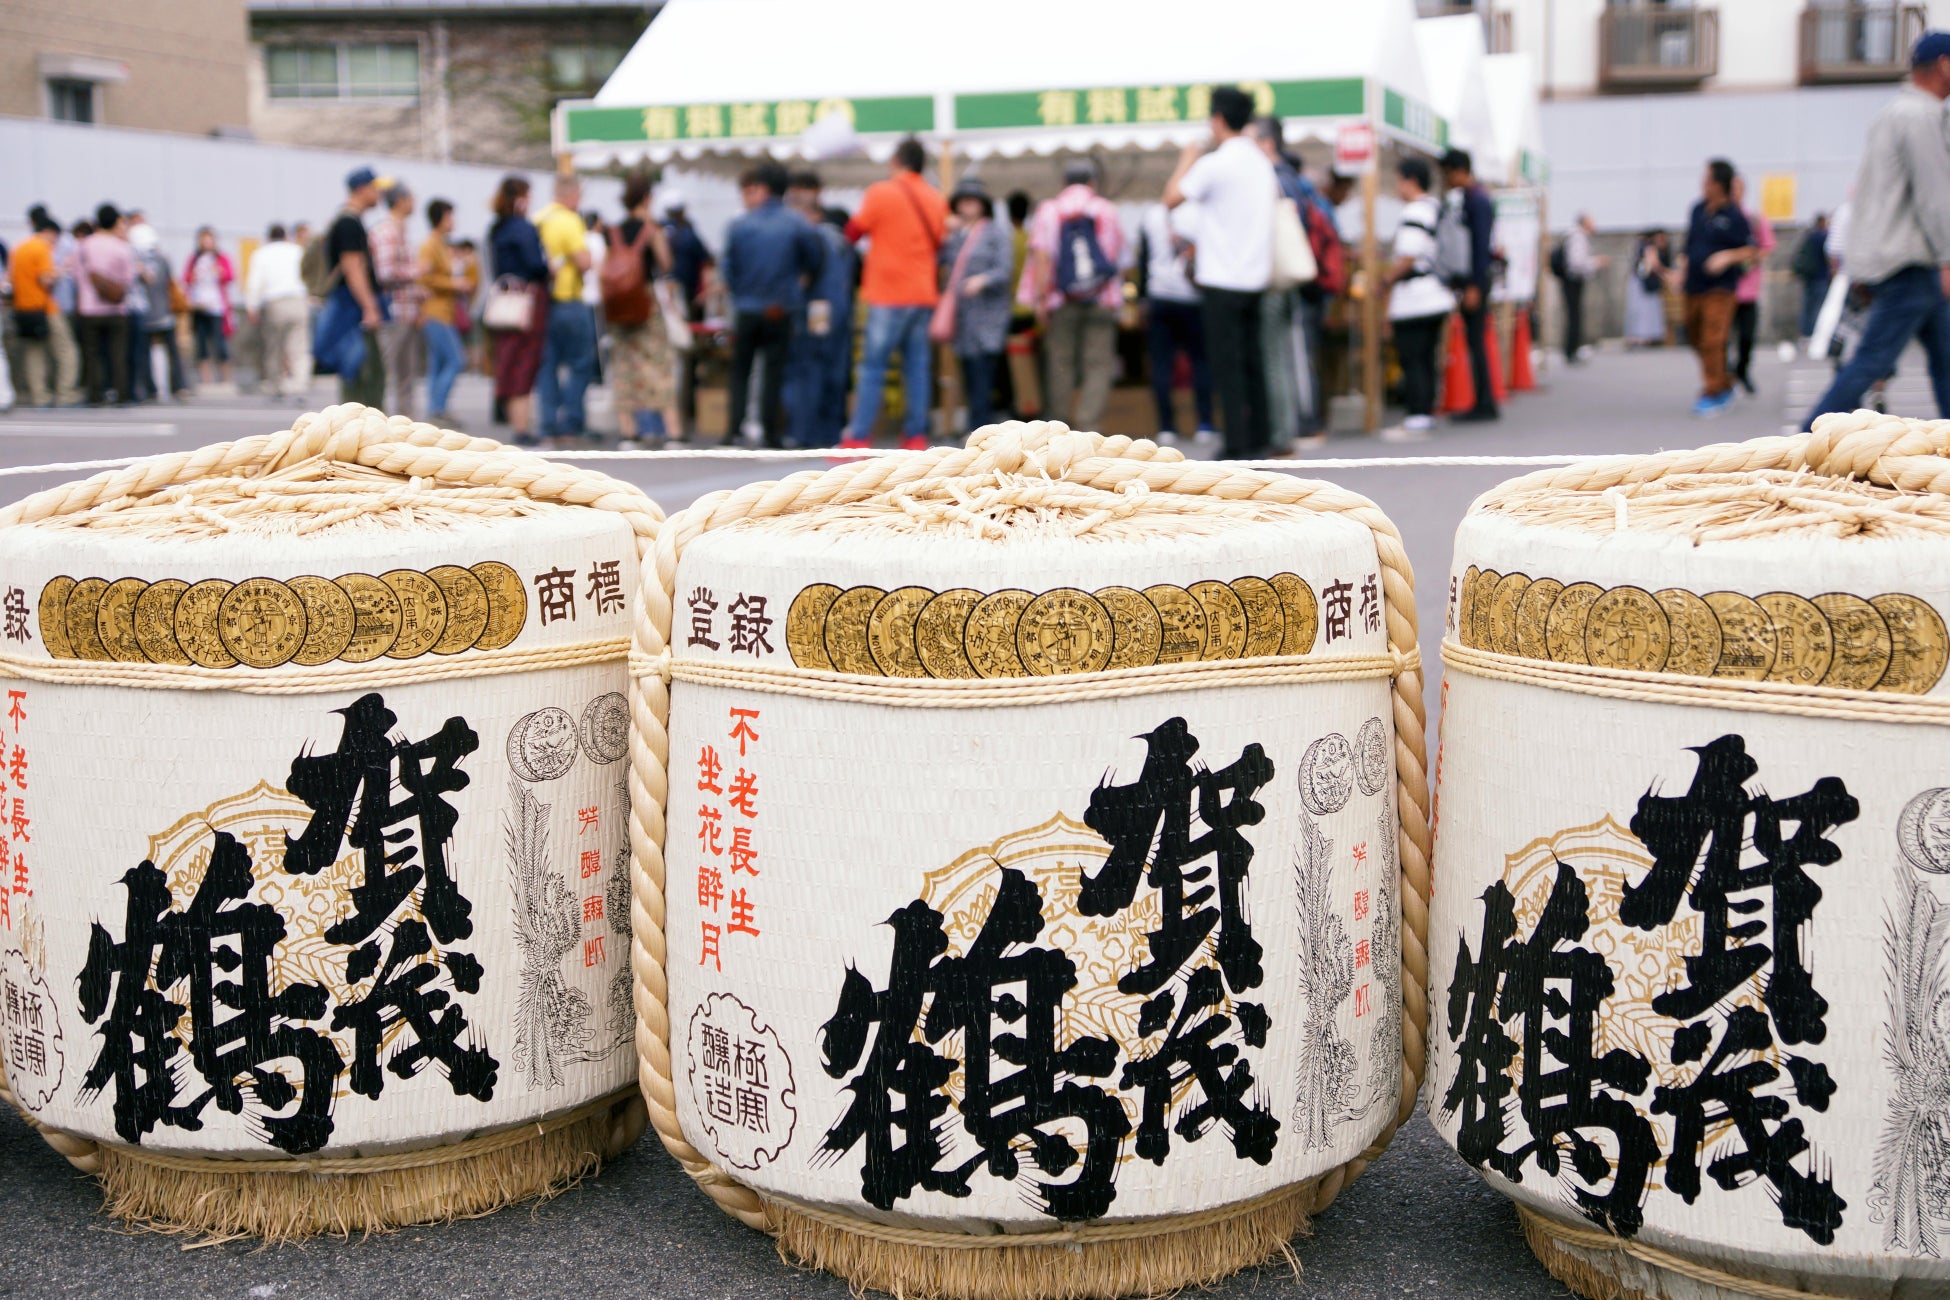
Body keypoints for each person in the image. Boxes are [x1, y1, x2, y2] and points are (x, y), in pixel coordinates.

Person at [1808, 32, 1950, 425]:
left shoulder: (1892, 113)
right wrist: (1948, 258)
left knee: (1945, 360)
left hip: (1890, 258)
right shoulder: (1922, 116)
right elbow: (1936, 196)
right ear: (1943, 65)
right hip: (1910, 263)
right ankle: (1803, 439)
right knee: (1872, 361)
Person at [1165, 84, 1277, 459]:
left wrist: (1188, 157)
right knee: (1253, 360)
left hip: (1222, 277)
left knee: (1226, 364)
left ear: (1217, 119)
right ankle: (1261, 435)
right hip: (1255, 276)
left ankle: (1237, 443)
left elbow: (1171, 198)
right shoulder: (1261, 161)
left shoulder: (1216, 163)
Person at [841, 136, 947, 451]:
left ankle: (859, 437)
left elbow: (853, 232)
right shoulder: (935, 198)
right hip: (922, 293)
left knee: (873, 366)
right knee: (916, 367)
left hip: (888, 293)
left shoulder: (880, 192)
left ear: (897, 161)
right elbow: (940, 241)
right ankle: (916, 436)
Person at [722, 162, 823, 449]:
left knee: (741, 369)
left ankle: (733, 430)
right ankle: (770, 431)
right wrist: (798, 283)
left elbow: (728, 267)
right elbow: (814, 258)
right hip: (781, 306)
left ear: (763, 188)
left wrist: (741, 292)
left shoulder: (740, 224)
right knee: (773, 370)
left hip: (746, 306)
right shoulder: (796, 222)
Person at [1020, 159, 1125, 431]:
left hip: (1061, 299)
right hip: (1102, 299)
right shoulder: (1106, 210)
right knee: (1099, 364)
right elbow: (1119, 258)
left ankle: (1059, 427)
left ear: (1063, 183)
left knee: (1060, 362)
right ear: (1092, 182)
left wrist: (1041, 300)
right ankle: (1089, 426)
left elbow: (1042, 257)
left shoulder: (1049, 210)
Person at [1248, 116, 1327, 450]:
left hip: (1275, 277)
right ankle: (1300, 423)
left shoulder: (1269, 178)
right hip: (1292, 277)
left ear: (1267, 143)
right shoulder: (1293, 179)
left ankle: (1283, 433)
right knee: (1291, 354)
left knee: (1275, 358)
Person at [1382, 157, 1457, 443]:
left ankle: (1417, 416)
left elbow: (1408, 257)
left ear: (1410, 180)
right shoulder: (1437, 207)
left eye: (1399, 180)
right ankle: (1426, 412)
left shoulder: (1414, 210)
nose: (1397, 187)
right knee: (1427, 357)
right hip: (1438, 295)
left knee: (1412, 356)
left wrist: (1386, 280)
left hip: (1416, 298)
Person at [1673, 158, 1754, 418]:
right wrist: (1680, 271)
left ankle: (1713, 390)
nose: (1703, 184)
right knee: (1694, 336)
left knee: (1713, 339)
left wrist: (1726, 257)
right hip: (1693, 286)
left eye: (1708, 179)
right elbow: (1688, 246)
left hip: (1720, 289)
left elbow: (1750, 250)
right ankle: (1724, 380)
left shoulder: (1735, 216)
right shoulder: (1697, 209)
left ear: (1719, 184)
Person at [783, 171, 855, 448]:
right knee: (834, 370)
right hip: (839, 310)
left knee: (807, 369)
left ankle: (804, 432)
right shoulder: (839, 238)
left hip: (816, 310)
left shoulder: (812, 237)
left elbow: (805, 277)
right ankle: (830, 432)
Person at [604, 176, 677, 445]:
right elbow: (666, 264)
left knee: (624, 366)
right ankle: (672, 432)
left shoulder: (613, 230)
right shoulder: (652, 228)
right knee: (659, 363)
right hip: (645, 301)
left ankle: (628, 432)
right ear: (647, 197)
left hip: (618, 303)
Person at [1136, 201, 1215, 443]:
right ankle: (1205, 423)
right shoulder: (1201, 212)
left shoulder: (1152, 214)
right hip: (1194, 298)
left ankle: (1167, 426)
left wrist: (1142, 298)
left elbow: (1143, 260)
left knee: (1161, 364)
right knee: (1200, 362)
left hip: (1160, 295)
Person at [940, 178, 1013, 433]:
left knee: (985, 377)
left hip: (989, 317)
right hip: (964, 319)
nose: (967, 205)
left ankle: (981, 429)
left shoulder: (995, 233)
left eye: (973, 200)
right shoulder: (955, 236)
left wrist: (983, 280)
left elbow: (1005, 270)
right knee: (969, 377)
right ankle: (975, 427)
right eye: (963, 200)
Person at [313, 165, 388, 409]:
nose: (379, 194)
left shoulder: (347, 220)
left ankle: (360, 430)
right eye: (375, 188)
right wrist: (370, 307)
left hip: (349, 306)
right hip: (351, 308)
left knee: (360, 371)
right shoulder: (349, 223)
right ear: (361, 189)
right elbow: (352, 267)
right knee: (363, 373)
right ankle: (361, 434)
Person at [488, 175, 549, 445]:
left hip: (504, 300)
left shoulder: (496, 228)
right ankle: (522, 427)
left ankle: (514, 419)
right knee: (525, 361)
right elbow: (535, 264)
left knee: (507, 359)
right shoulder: (522, 227)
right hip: (527, 301)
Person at [1439, 148, 1500, 423]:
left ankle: (1485, 402)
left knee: (1476, 341)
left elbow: (1480, 246)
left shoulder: (1477, 200)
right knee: (1474, 341)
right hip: (1474, 279)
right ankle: (1482, 400)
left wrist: (1475, 285)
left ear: (1458, 170)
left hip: (1477, 280)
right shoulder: (1470, 198)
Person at [534, 175, 596, 442]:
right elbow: (584, 262)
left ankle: (548, 421)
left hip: (544, 303)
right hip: (569, 299)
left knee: (547, 365)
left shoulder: (539, 219)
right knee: (581, 363)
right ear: (571, 195)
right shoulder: (569, 220)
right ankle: (571, 420)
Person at [367, 183, 425, 418]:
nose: (414, 202)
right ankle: (381, 424)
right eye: (411, 197)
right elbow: (385, 272)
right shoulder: (387, 232)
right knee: (390, 373)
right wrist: (415, 271)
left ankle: (404, 424)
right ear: (401, 200)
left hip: (406, 311)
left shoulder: (399, 230)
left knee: (405, 375)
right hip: (393, 312)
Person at [419, 199, 474, 425]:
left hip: (444, 312)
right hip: (435, 312)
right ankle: (438, 408)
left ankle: (435, 408)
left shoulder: (441, 244)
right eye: (450, 216)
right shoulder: (430, 245)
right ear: (441, 217)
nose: (453, 221)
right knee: (455, 359)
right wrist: (455, 284)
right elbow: (425, 278)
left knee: (439, 362)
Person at [661, 190, 713, 432]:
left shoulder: (659, 232)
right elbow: (707, 262)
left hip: (662, 304)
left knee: (665, 358)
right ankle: (686, 408)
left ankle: (666, 415)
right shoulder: (689, 234)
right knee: (688, 356)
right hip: (688, 304)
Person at [74, 204, 135, 405]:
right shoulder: (121, 246)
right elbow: (128, 278)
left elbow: (76, 275)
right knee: (118, 354)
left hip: (89, 308)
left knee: (92, 354)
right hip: (116, 308)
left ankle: (94, 395)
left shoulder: (84, 245)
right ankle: (121, 393)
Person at [245, 223, 307, 399]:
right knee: (299, 346)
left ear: (268, 237)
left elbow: (255, 281)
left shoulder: (262, 253)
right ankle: (300, 384)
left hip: (275, 302)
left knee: (274, 346)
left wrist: (252, 306)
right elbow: (307, 274)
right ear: (286, 236)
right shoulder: (296, 250)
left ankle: (275, 384)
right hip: (297, 299)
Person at [129, 222, 187, 401]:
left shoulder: (136, 260)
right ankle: (179, 386)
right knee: (172, 352)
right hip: (164, 312)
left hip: (144, 313)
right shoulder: (163, 259)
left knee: (144, 354)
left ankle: (150, 389)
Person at [1729, 174, 1775, 396]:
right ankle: (1724, 377)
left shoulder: (1754, 219)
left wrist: (1751, 257)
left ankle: (1742, 370)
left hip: (1748, 289)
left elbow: (1767, 246)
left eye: (1738, 187)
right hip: (1724, 289)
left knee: (1747, 336)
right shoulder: (1720, 218)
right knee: (1720, 339)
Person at [9, 208, 59, 407]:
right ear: (49, 231)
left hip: (21, 307)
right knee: (59, 353)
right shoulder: (41, 248)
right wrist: (57, 274)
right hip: (40, 306)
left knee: (31, 354)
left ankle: (34, 394)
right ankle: (56, 394)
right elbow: (45, 279)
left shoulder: (19, 248)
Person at [182, 227, 234, 388]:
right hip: (199, 306)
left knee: (220, 343)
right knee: (201, 344)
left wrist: (219, 272)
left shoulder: (220, 258)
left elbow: (230, 276)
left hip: (216, 307)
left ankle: (225, 380)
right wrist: (194, 275)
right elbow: (185, 278)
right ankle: (206, 380)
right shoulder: (194, 259)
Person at [1559, 214, 1607, 364]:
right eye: (1592, 222)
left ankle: (1572, 349)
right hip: (1573, 280)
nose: (1594, 225)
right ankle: (1571, 350)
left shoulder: (1574, 236)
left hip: (1572, 279)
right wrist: (1595, 262)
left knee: (1574, 315)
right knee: (1574, 316)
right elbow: (1577, 262)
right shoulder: (1578, 237)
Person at [1624, 229, 1671, 347]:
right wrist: (1667, 274)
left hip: (1643, 282)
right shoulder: (1649, 248)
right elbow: (1654, 265)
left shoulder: (1645, 247)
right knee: (1645, 310)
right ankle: (1643, 336)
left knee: (1647, 310)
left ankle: (1645, 336)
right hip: (1645, 283)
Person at [1793, 213, 1832, 341]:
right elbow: (1831, 253)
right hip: (1820, 276)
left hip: (1808, 276)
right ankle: (1814, 334)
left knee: (1807, 306)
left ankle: (1805, 333)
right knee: (1818, 306)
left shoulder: (1809, 235)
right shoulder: (1823, 237)